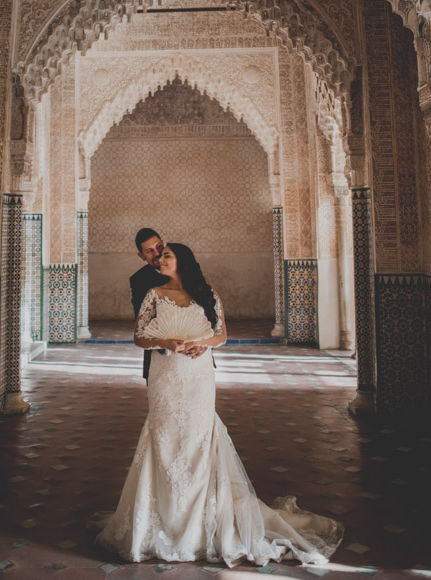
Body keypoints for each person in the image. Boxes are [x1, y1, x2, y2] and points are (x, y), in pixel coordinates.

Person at [96, 242, 343, 567]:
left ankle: (199, 520)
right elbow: (140, 337)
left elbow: (221, 334)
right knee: (165, 438)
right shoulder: (153, 295)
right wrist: (165, 342)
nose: (160, 260)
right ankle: (162, 519)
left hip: (198, 376)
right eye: (159, 256)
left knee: (199, 438)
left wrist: (200, 344)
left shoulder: (207, 294)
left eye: (166, 255)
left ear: (182, 261)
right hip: (166, 376)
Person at [129, 228, 206, 380]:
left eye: (158, 246)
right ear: (141, 256)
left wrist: (203, 344)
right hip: (162, 359)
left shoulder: (190, 268)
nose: (157, 253)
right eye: (149, 251)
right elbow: (143, 326)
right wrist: (168, 344)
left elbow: (207, 310)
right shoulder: (139, 280)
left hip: (197, 357)